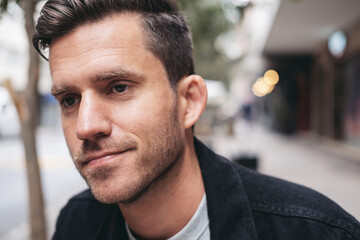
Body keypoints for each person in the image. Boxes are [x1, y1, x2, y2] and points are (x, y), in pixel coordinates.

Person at [33, 0, 360, 239]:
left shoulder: (313, 232)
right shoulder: (77, 224)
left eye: (118, 87)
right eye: (69, 100)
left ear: (189, 101)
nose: (85, 126)